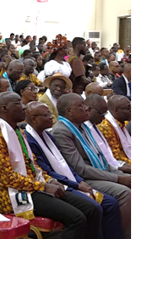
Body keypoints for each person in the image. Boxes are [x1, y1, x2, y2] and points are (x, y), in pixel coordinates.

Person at [0, 93, 101, 238]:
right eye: (18, 103)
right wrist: (43, 186)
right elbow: (7, 178)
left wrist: (50, 180)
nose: (24, 107)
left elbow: (34, 166)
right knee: (76, 218)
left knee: (92, 209)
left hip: (34, 187)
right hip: (15, 195)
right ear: (4, 108)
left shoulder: (19, 132)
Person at [47, 93, 132, 228]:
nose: (86, 108)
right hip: (84, 179)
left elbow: (101, 159)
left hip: (99, 172)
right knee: (125, 192)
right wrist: (118, 178)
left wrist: (117, 173)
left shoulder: (83, 126)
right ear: (69, 111)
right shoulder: (62, 131)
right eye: (81, 105)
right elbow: (80, 168)